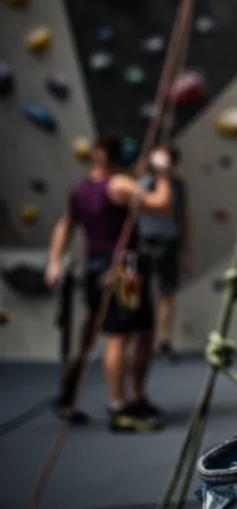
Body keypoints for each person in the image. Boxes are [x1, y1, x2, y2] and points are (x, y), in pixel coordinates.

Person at [46, 137, 173, 433]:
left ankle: (136, 397)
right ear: (118, 157)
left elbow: (65, 224)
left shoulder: (81, 189)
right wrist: (163, 172)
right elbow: (162, 205)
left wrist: (54, 262)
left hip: (96, 268)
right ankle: (119, 406)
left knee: (142, 331)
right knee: (118, 336)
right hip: (122, 271)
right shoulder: (119, 186)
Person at [137, 146, 190, 362]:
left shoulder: (178, 185)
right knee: (140, 296)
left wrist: (186, 248)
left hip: (170, 241)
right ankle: (141, 340)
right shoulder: (143, 184)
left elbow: (181, 215)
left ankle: (164, 341)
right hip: (144, 243)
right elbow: (160, 204)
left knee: (166, 292)